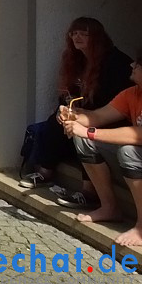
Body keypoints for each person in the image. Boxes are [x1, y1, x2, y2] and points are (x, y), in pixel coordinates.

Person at [20, 17, 132, 208]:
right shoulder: (75, 59)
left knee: (81, 130)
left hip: (111, 116)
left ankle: (89, 191)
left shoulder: (115, 63)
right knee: (57, 119)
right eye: (74, 33)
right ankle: (46, 171)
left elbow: (114, 103)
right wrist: (67, 106)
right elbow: (68, 92)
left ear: (96, 37)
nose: (77, 37)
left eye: (83, 33)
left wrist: (82, 113)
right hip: (87, 111)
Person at [60, 49, 142, 247]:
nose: (132, 65)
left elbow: (138, 135)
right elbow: (97, 117)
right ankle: (109, 208)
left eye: (138, 64)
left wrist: (88, 131)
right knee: (83, 141)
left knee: (128, 151)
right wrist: (72, 116)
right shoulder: (132, 93)